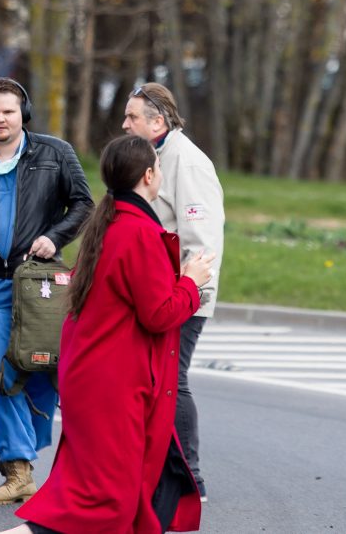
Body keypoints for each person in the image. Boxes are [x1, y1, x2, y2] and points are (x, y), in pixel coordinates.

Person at [0, 134, 213, 534]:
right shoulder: (138, 233)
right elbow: (159, 314)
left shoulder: (109, 224)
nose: (160, 174)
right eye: (158, 168)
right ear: (148, 175)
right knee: (101, 501)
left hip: (94, 376)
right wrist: (192, 283)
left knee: (91, 492)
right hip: (115, 384)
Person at [0, 77, 93, 505]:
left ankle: (30, 450)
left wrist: (55, 236)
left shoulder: (55, 153)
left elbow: (84, 205)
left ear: (22, 113)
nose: (0, 119)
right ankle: (19, 467)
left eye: (8, 111)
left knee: (44, 367)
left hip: (40, 284)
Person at [123, 82, 224, 501]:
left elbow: (201, 243)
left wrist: (185, 297)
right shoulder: (153, 157)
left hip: (181, 297)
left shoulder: (188, 162)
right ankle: (158, 474)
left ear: (157, 121)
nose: (124, 123)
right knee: (154, 382)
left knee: (172, 383)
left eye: (132, 117)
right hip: (159, 295)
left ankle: (191, 480)